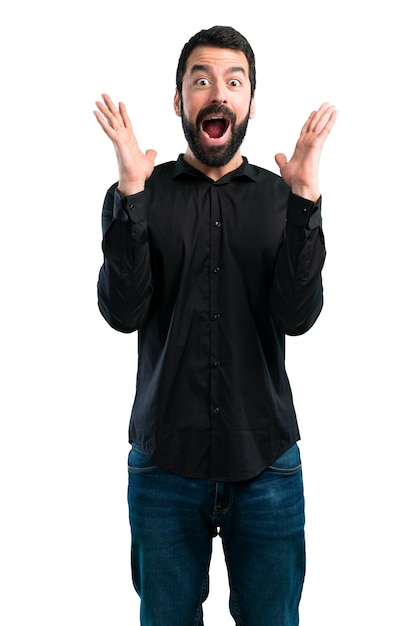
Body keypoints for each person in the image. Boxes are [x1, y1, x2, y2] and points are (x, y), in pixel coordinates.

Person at [94, 24, 337, 626]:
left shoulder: (285, 198)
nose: (217, 93)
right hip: (164, 466)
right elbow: (122, 313)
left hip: (267, 466)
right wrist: (130, 196)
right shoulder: (140, 194)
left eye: (234, 81)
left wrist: (305, 204)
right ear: (179, 102)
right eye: (200, 81)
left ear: (250, 101)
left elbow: (298, 317)